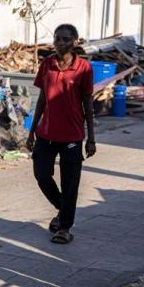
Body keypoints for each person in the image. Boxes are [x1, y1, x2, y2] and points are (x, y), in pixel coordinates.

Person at [26, 24, 95, 244]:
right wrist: (31, 131)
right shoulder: (47, 65)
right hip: (46, 133)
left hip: (73, 136)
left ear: (75, 42)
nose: (60, 43)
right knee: (41, 174)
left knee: (70, 182)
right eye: (57, 39)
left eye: (65, 39)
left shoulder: (83, 68)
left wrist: (91, 138)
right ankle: (63, 207)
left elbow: (88, 104)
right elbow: (42, 99)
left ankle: (65, 227)